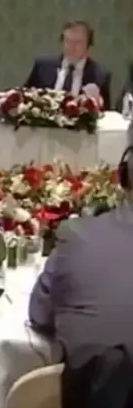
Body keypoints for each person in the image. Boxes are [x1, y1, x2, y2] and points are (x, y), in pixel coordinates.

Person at [29, 146, 133, 352]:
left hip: (92, 372)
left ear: (123, 178)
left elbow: (40, 314)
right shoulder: (77, 235)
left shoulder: (78, 235)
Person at [24, 19, 111, 109]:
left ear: (88, 45)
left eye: (78, 42)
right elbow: (25, 97)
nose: (71, 47)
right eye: (68, 41)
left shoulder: (100, 75)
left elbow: (105, 112)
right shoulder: (42, 67)